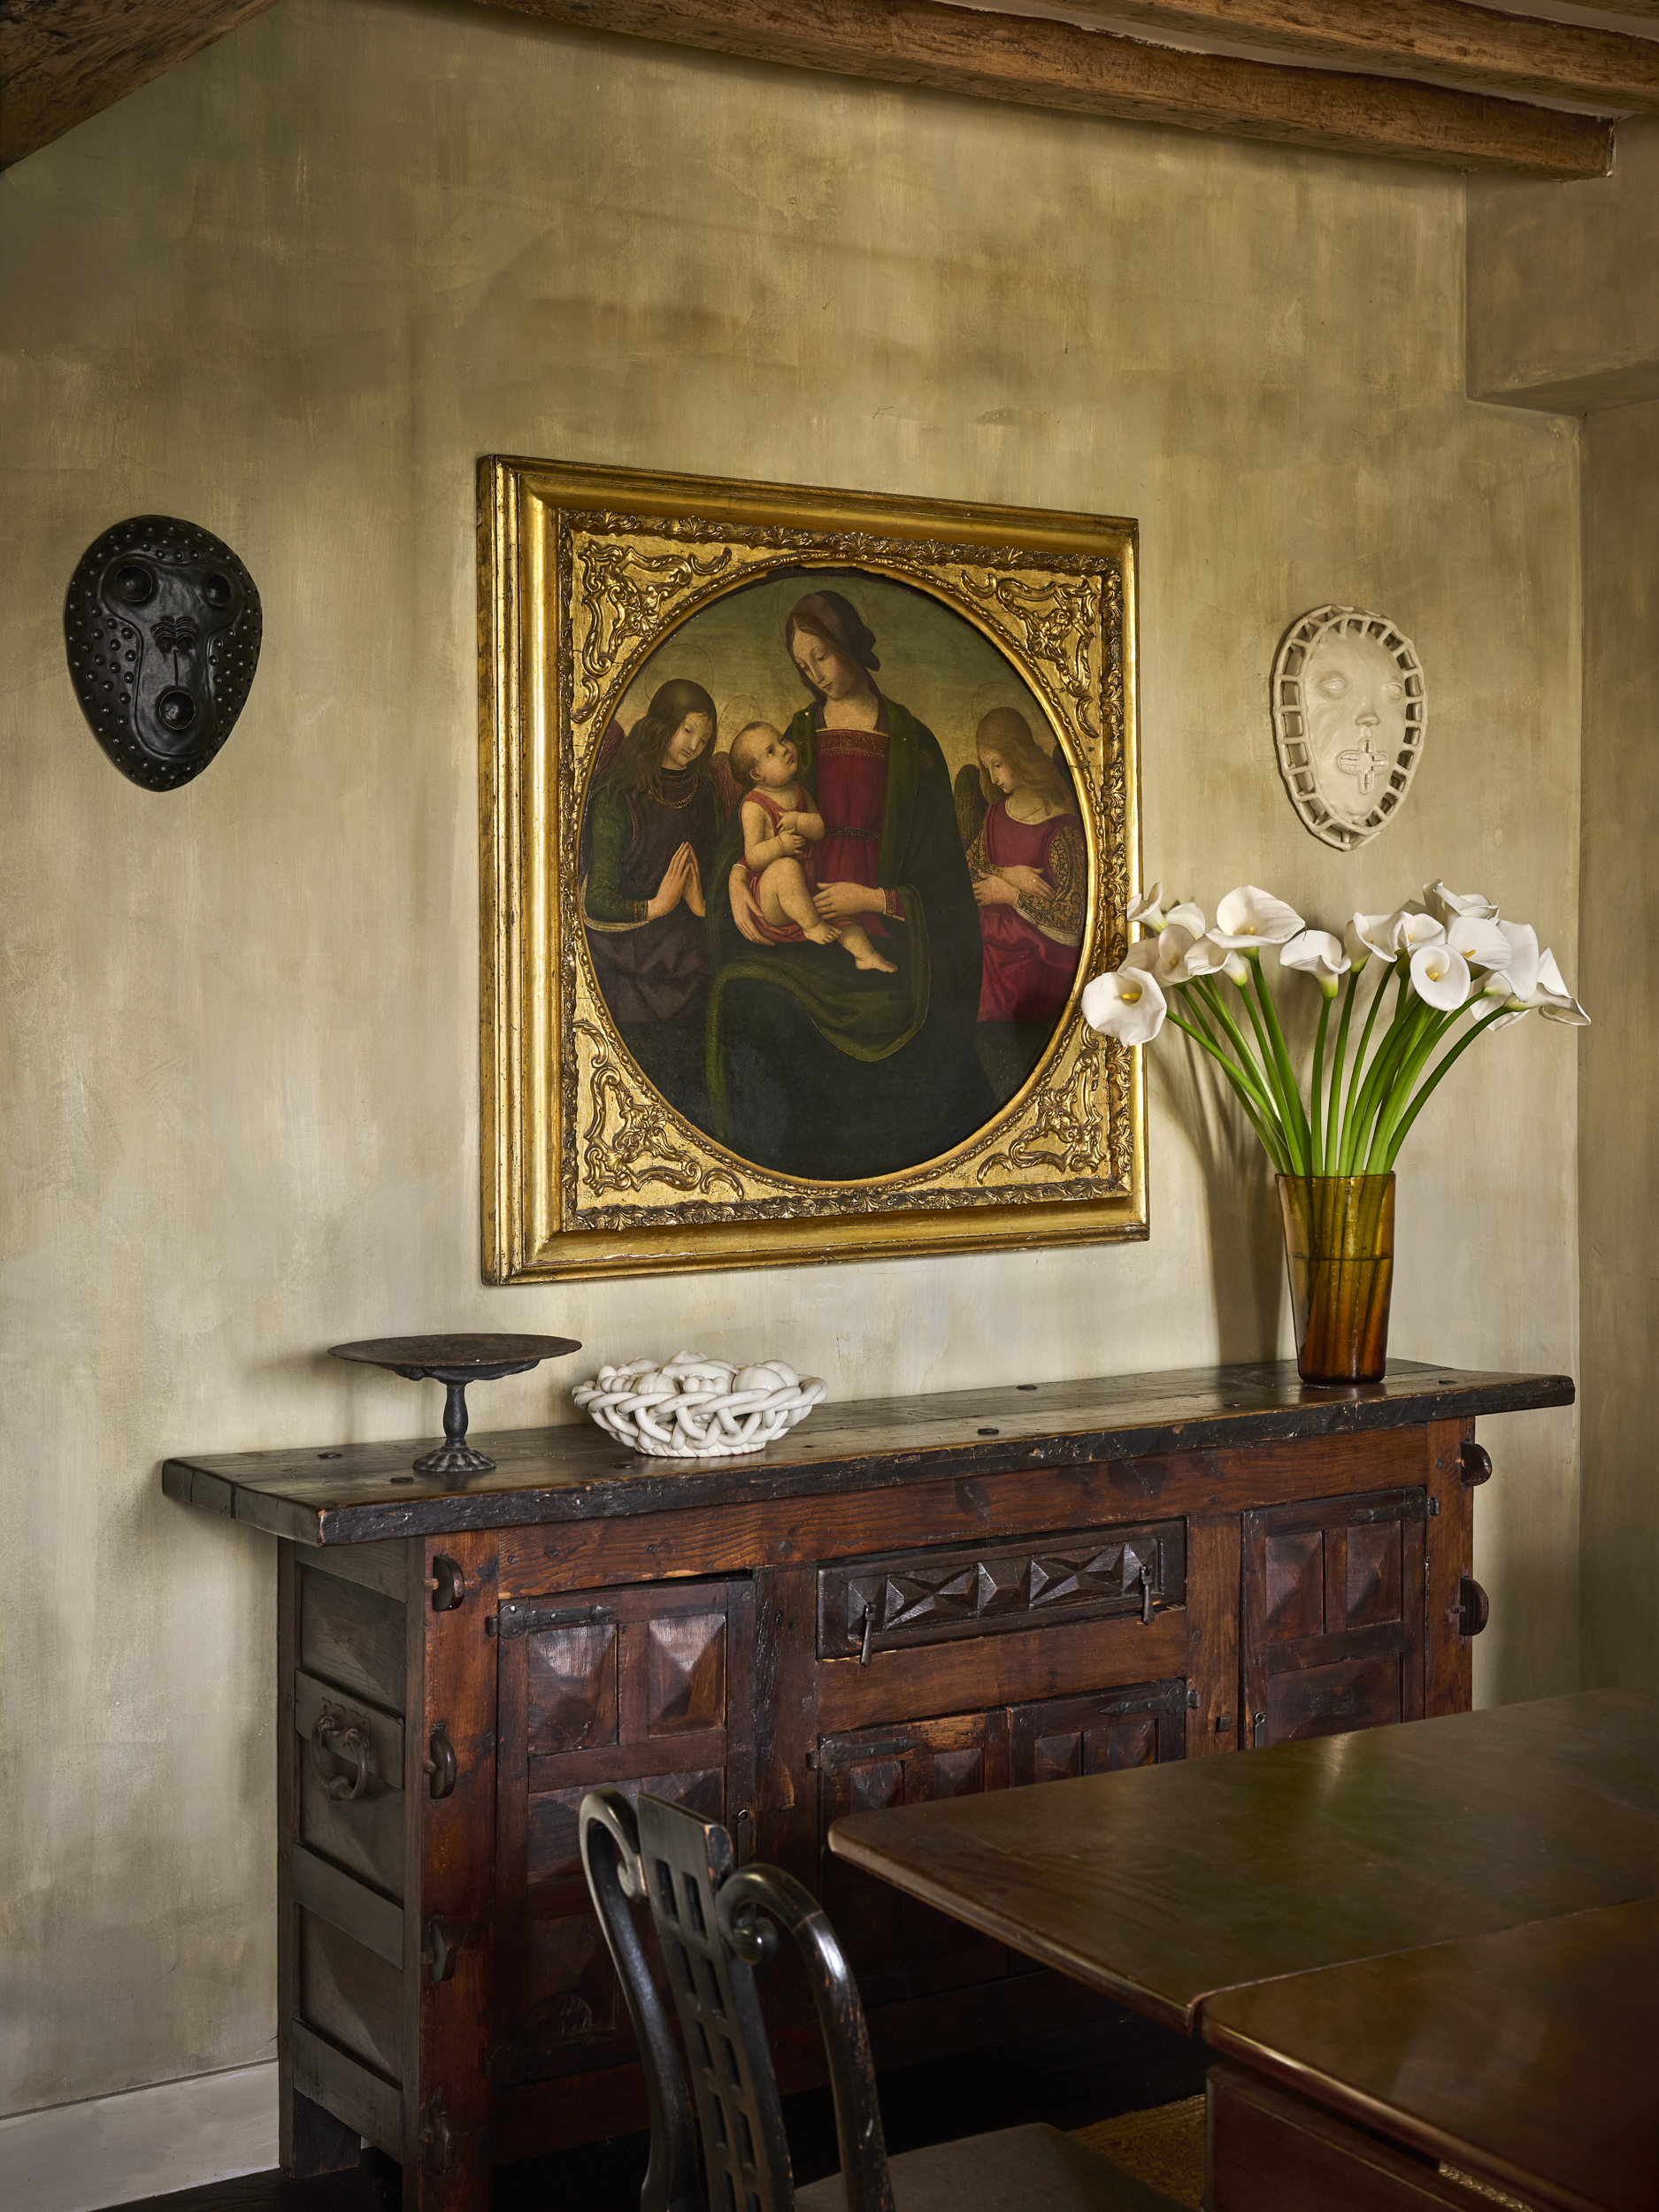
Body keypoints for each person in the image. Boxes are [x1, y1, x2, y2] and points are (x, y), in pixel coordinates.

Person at [704, 589, 991, 1178]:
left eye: (822, 656)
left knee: (889, 1004)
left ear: (849, 643)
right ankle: (777, 1171)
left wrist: (877, 899)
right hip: (807, 910)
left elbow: (944, 879)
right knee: (746, 993)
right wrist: (735, 876)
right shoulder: (797, 735)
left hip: (885, 927)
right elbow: (750, 831)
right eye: (802, 665)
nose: (815, 675)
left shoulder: (914, 744)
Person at [582, 679, 720, 1119]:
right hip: (630, 956)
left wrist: (700, 905)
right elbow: (596, 900)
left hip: (690, 950)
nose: (694, 746)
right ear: (661, 725)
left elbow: (719, 876)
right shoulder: (616, 797)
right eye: (687, 731)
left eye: (704, 738)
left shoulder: (705, 795)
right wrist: (657, 906)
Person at [729, 718, 896, 973]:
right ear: (756, 774)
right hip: (773, 900)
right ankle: (812, 926)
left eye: (782, 740)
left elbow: (819, 829)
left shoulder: (798, 791)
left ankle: (866, 955)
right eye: (771, 751)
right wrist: (781, 844)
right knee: (786, 869)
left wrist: (799, 821)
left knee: (838, 910)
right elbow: (752, 857)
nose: (784, 749)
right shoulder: (754, 806)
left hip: (805, 890)